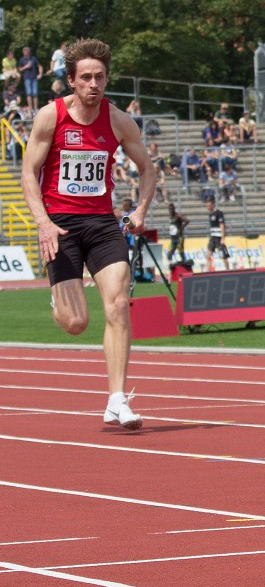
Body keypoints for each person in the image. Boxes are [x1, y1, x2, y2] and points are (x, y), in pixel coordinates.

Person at [20, 38, 156, 429]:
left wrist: (140, 210)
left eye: (100, 77)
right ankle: (60, 301)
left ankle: (117, 399)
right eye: (86, 78)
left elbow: (147, 169)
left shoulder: (117, 120)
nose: (94, 84)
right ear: (72, 82)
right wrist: (43, 222)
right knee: (76, 322)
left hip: (101, 223)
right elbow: (29, 172)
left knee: (117, 303)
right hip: (59, 224)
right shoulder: (50, 116)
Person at [18, 45, 43, 113]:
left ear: (29, 52)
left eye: (27, 51)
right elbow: (19, 69)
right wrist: (26, 67)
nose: (25, 52)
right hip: (27, 78)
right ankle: (30, 108)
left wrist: (40, 74)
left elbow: (39, 66)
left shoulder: (33, 58)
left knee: (35, 93)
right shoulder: (22, 59)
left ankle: (35, 108)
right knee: (29, 93)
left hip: (34, 78)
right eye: (24, 51)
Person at [205, 196, 229, 267]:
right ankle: (207, 274)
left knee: (223, 256)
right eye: (207, 206)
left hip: (219, 238)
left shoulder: (219, 213)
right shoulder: (210, 214)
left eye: (209, 206)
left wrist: (223, 238)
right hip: (213, 238)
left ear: (213, 204)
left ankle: (228, 271)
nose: (208, 207)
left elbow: (222, 225)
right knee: (208, 256)